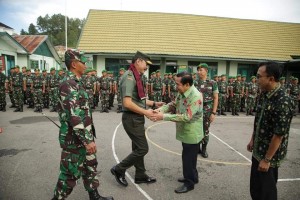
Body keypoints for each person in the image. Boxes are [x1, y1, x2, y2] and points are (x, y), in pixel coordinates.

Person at [52, 49, 113, 200]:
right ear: (74, 64)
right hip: (75, 139)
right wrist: (87, 141)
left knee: (90, 166)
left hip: (84, 136)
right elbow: (74, 116)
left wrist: (88, 138)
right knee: (69, 174)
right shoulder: (68, 85)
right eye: (82, 62)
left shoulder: (76, 83)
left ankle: (94, 196)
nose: (85, 64)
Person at [110, 51, 164, 187]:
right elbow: (127, 103)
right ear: (139, 61)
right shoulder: (129, 77)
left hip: (136, 118)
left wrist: (153, 104)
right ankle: (119, 169)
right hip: (132, 118)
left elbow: (138, 98)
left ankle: (140, 175)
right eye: (146, 64)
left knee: (137, 147)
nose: (147, 67)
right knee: (142, 149)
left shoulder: (136, 76)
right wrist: (146, 112)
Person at [247, 61, 294, 200]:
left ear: (271, 79)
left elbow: (278, 135)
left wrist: (267, 160)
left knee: (267, 192)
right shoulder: (264, 93)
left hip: (269, 156)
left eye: (259, 76)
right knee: (255, 187)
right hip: (257, 150)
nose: (256, 79)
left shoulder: (283, 101)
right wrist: (252, 139)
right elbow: (258, 120)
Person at [152, 71, 203, 193]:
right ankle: (193, 177)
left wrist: (163, 117)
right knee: (190, 157)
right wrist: (160, 110)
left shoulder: (195, 96)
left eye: (178, 84)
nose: (176, 86)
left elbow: (186, 117)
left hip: (192, 132)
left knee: (188, 158)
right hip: (185, 131)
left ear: (187, 84)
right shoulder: (182, 92)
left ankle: (189, 183)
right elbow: (173, 104)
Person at [195, 63, 218, 158]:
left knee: (205, 130)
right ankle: (197, 148)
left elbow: (216, 98)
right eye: (198, 70)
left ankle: (204, 149)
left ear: (206, 71)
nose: (199, 72)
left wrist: (213, 113)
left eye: (201, 70)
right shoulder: (195, 83)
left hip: (207, 110)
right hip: (196, 109)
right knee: (196, 129)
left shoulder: (212, 83)